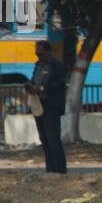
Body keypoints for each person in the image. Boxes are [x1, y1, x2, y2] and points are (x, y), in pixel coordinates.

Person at [26, 40, 67, 174]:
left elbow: (59, 85)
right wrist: (31, 87)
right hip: (39, 106)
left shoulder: (56, 65)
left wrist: (42, 88)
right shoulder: (38, 65)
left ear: (48, 52)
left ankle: (60, 169)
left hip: (52, 106)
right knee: (44, 139)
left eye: (41, 54)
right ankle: (50, 168)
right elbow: (34, 80)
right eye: (37, 54)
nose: (39, 56)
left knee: (53, 139)